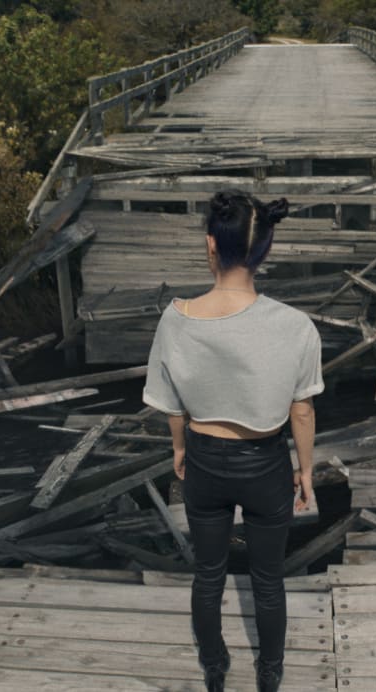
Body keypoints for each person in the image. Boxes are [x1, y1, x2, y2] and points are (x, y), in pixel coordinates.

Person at [143, 190, 322, 692]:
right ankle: (270, 675)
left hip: (203, 459)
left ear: (210, 246)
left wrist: (179, 448)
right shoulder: (295, 325)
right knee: (268, 581)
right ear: (263, 251)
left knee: (208, 575)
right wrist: (305, 471)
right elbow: (302, 410)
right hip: (265, 463)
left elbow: (172, 403)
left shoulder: (175, 318)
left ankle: (215, 669)